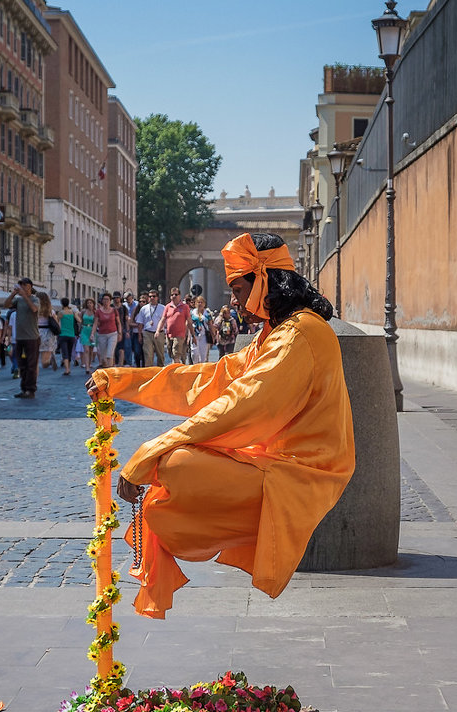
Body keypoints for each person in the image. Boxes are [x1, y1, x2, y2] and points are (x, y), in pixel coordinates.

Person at [86, 231, 354, 619]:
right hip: (277, 464)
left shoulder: (298, 336)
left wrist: (150, 453)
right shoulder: (275, 336)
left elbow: (239, 406)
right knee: (174, 472)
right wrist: (121, 380)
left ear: (264, 281)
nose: (233, 301)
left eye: (238, 289)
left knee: (176, 466)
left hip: (303, 475)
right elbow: (205, 381)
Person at [4, 277, 40, 398]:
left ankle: (31, 389)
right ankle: (24, 388)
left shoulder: (35, 299)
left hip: (32, 337)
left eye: (25, 285)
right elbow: (6, 304)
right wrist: (13, 294)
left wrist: (25, 296)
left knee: (31, 364)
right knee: (21, 364)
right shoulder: (18, 300)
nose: (23, 288)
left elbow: (34, 309)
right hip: (20, 337)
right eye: (21, 285)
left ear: (30, 287)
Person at [160, 287, 193, 365]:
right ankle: (178, 365)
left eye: (176, 294)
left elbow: (189, 322)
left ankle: (175, 371)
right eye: (172, 295)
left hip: (180, 335)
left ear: (180, 296)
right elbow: (163, 319)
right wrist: (158, 330)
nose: (174, 296)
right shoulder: (168, 306)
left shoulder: (185, 307)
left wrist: (192, 334)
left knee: (176, 354)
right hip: (169, 334)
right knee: (170, 353)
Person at [135, 289, 165, 367]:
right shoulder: (144, 308)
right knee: (148, 354)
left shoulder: (162, 308)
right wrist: (139, 335)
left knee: (160, 354)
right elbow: (140, 323)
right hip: (147, 333)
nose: (152, 298)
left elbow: (165, 322)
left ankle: (161, 371)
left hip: (159, 333)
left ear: (157, 297)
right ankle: (149, 373)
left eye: (154, 296)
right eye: (150, 296)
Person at [94, 292, 121, 368]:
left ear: (110, 301)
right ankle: (106, 369)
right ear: (102, 301)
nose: (106, 301)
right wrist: (92, 334)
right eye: (104, 299)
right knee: (103, 357)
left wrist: (120, 333)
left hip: (113, 334)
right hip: (102, 334)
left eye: (107, 299)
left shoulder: (114, 311)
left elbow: (118, 323)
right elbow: (95, 323)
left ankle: (110, 372)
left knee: (109, 354)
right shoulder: (98, 311)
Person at [57, 297, 80, 376]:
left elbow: (56, 322)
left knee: (64, 352)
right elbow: (79, 321)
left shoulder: (61, 313)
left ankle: (67, 369)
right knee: (69, 352)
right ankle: (68, 367)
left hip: (63, 334)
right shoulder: (72, 312)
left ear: (62, 303)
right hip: (71, 335)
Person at [37, 292, 60, 372]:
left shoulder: (34, 311)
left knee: (37, 360)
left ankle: (49, 360)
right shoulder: (51, 312)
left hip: (36, 333)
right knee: (44, 363)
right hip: (48, 334)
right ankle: (49, 360)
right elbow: (57, 324)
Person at [189, 295, 214, 364]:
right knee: (194, 353)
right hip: (194, 335)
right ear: (195, 303)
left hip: (204, 336)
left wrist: (213, 336)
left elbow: (210, 325)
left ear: (204, 304)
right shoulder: (192, 313)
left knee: (203, 355)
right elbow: (188, 323)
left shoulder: (207, 313)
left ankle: (201, 369)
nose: (200, 304)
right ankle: (195, 367)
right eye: (198, 302)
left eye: (201, 302)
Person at [78, 297, 97, 373]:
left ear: (93, 304)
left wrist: (93, 333)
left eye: (91, 303)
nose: (89, 304)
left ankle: (89, 363)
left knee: (91, 349)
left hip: (93, 331)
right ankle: (87, 368)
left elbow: (96, 323)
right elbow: (79, 320)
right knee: (86, 349)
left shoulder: (95, 312)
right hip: (84, 330)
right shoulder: (83, 312)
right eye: (88, 303)